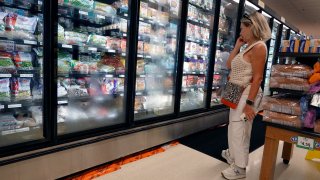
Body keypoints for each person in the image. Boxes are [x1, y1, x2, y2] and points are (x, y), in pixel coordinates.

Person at [220, 11, 271, 180]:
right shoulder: (247, 46)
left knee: (240, 130)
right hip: (236, 92)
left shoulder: (259, 47)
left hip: (247, 93)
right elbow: (229, 65)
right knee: (233, 127)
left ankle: (240, 169)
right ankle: (233, 156)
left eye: (243, 29)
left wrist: (250, 103)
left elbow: (258, 78)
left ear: (253, 27)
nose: (241, 32)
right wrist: (236, 46)